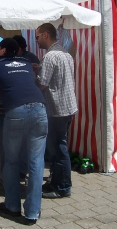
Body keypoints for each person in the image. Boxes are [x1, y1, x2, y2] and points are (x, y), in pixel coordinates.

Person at [0, 38, 47, 226]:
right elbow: (28, 81)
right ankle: (32, 212)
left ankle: (12, 206)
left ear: (3, 50)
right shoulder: (26, 62)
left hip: (16, 111)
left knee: (11, 161)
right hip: (40, 108)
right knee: (36, 162)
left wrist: (1, 85)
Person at [34, 23, 77, 199]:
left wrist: (32, 79)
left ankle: (63, 187)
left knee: (58, 149)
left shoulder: (50, 57)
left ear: (45, 35)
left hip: (56, 109)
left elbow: (42, 84)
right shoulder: (65, 53)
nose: (36, 41)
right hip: (67, 107)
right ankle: (55, 180)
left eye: (37, 37)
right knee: (58, 147)